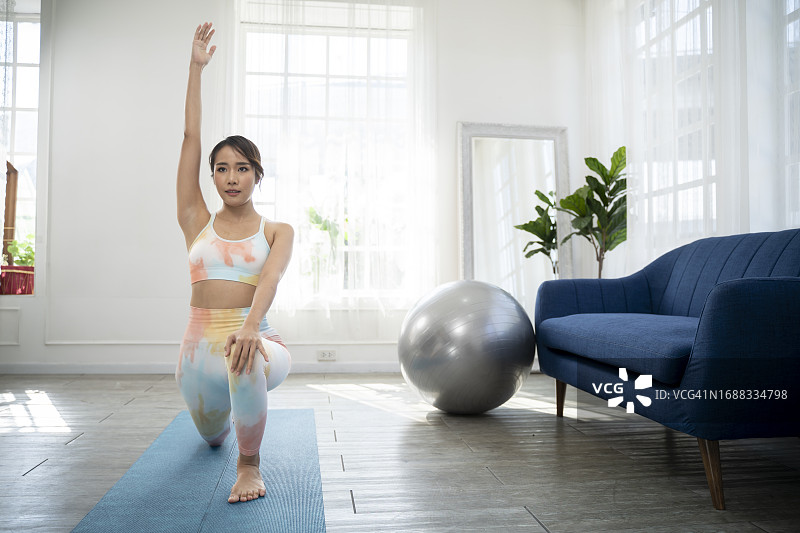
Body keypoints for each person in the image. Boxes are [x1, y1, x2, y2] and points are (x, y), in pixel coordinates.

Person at [175, 22, 294, 504]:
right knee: (210, 435)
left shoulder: (277, 231)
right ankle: (224, 423)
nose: (230, 176)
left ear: (256, 176)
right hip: (195, 351)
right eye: (222, 167)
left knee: (243, 356)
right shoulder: (195, 220)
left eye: (242, 167)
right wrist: (195, 68)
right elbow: (189, 138)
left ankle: (250, 467)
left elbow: (271, 277)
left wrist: (249, 327)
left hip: (258, 335)